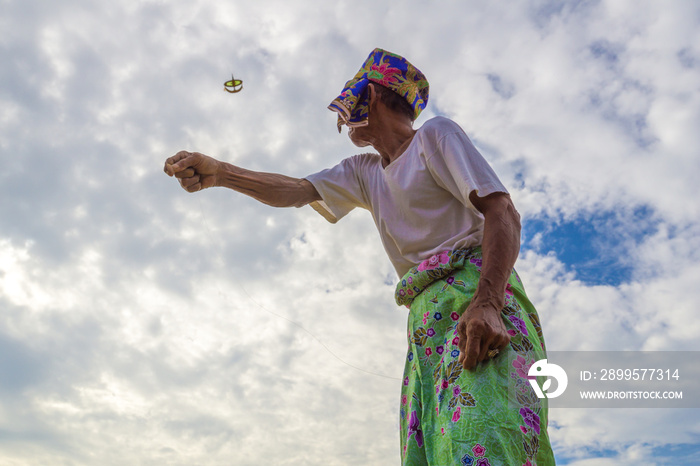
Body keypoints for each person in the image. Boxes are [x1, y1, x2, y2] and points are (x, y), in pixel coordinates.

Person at [164, 48, 555, 466]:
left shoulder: (435, 136)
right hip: (426, 324)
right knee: (436, 454)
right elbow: (297, 190)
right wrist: (222, 173)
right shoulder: (364, 171)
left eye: (350, 98)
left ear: (371, 94)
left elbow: (502, 212)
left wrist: (489, 304)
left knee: (484, 440)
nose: (342, 112)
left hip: (477, 304)